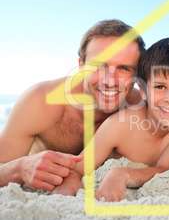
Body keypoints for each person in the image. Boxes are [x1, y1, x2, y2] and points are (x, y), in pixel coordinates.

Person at [0, 19, 145, 191]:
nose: (110, 81)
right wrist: (20, 168)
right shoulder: (41, 101)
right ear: (81, 66)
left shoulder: (143, 108)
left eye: (124, 68)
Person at [53, 38, 169, 202]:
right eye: (160, 87)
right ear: (143, 90)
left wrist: (123, 173)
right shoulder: (119, 125)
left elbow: (163, 169)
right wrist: (72, 180)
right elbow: (78, 169)